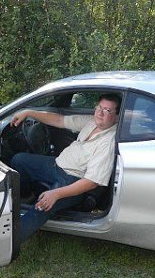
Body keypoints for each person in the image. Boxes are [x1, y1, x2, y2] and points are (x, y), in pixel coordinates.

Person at [10, 94, 121, 243]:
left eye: (107, 110)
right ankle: (25, 196)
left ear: (117, 117)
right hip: (57, 164)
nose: (100, 113)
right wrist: (29, 112)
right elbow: (59, 120)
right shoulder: (92, 122)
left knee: (41, 207)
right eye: (99, 107)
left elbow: (91, 182)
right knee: (19, 160)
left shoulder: (108, 142)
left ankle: (7, 243)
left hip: (72, 181)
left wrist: (55, 194)